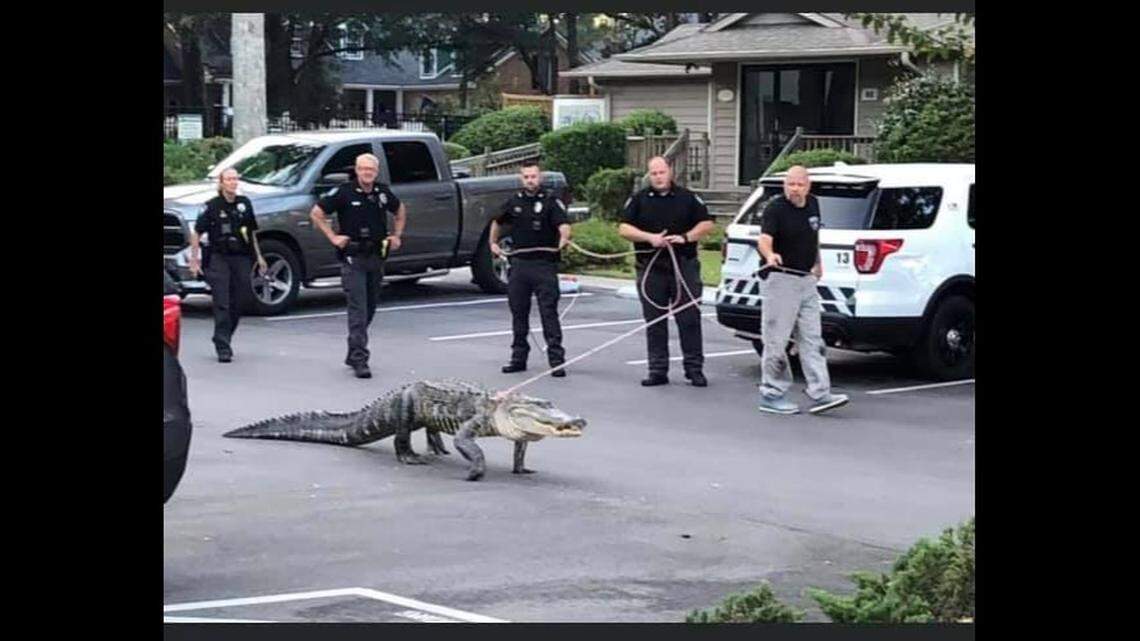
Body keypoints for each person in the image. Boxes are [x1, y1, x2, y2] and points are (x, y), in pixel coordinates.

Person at [755, 166, 849, 415]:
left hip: (806, 279)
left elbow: (813, 235)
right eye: (790, 184)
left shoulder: (813, 204)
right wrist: (770, 254)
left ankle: (820, 392)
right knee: (776, 340)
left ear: (808, 186)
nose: (794, 189)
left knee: (812, 338)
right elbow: (764, 239)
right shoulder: (775, 208)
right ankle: (772, 394)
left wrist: (818, 262)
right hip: (781, 280)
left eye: (799, 184)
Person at [618, 157, 715, 387]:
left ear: (670, 172)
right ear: (649, 175)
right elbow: (623, 228)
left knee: (689, 319)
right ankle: (657, 370)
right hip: (651, 268)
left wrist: (685, 238)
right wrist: (650, 238)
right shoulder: (639, 200)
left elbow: (707, 224)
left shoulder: (688, 198)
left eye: (661, 172)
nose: (658, 177)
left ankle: (694, 370)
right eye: (653, 173)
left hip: (683, 265)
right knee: (655, 321)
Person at [308, 153, 406, 378]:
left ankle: (353, 350)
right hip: (353, 258)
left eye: (370, 169)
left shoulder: (382, 192)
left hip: (376, 256)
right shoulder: (344, 192)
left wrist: (397, 235)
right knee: (358, 310)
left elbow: (400, 210)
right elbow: (317, 213)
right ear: (357, 170)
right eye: (363, 169)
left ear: (376, 171)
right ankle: (360, 359)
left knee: (370, 307)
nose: (367, 173)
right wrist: (333, 237)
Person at [490, 161, 571, 377]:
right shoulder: (514, 202)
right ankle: (518, 358)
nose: (530, 180)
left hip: (544, 264)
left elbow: (563, 224)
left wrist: (564, 238)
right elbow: (497, 221)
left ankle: (556, 361)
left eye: (533, 176)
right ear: (521, 179)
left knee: (549, 313)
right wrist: (493, 243)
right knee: (519, 314)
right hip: (520, 265)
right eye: (526, 177)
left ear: (540, 177)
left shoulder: (550, 202)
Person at [189, 168, 267, 362]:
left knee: (239, 301)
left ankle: (223, 335)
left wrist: (260, 257)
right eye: (229, 179)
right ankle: (223, 345)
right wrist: (194, 259)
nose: (233, 182)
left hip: (241, 256)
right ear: (221, 183)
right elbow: (197, 233)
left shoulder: (244, 204)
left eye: (235, 179)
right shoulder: (212, 206)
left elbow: (251, 233)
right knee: (222, 301)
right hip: (219, 257)